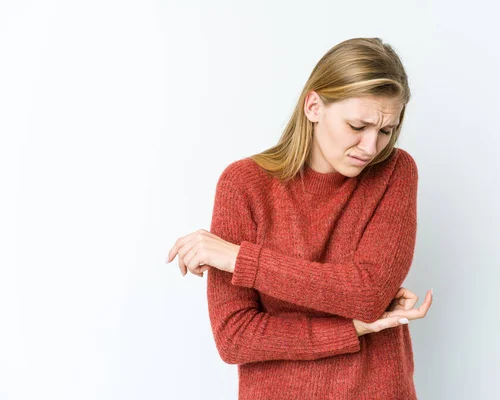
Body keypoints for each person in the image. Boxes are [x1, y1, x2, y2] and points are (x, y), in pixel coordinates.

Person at [166, 37, 433, 399]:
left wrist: (238, 258)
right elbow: (235, 337)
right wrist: (351, 328)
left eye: (386, 131)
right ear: (313, 106)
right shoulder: (244, 184)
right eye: (358, 127)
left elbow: (368, 293)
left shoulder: (395, 171)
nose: (371, 148)